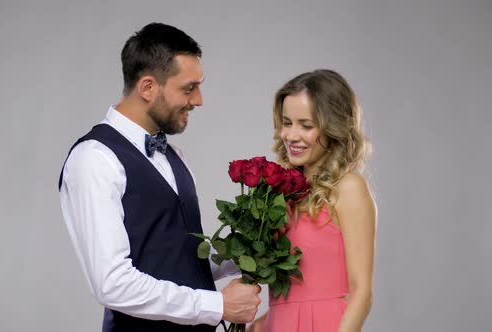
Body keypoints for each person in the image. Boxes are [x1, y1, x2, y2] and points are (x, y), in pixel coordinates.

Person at [58, 22, 260, 332]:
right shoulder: (94, 159)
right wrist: (218, 306)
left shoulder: (174, 155)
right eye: (188, 88)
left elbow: (179, 261)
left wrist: (251, 248)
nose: (199, 100)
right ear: (148, 87)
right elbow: (112, 284)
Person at [250, 69, 376, 331]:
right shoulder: (280, 193)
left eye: (306, 126)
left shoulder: (348, 188)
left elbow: (361, 293)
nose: (291, 136)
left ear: (333, 128)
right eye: (287, 122)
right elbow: (288, 301)